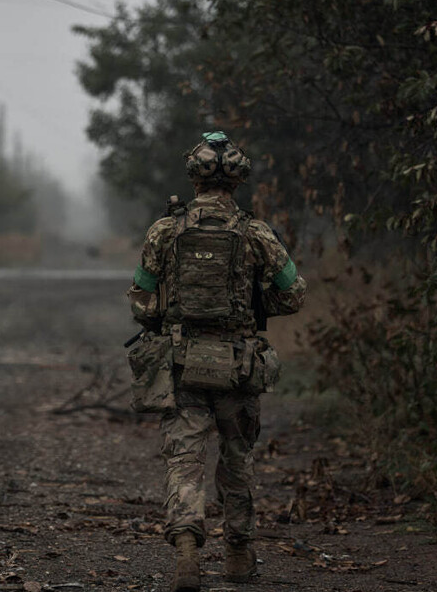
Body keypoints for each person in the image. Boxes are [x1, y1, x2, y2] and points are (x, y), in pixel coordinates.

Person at [125, 131, 306, 591]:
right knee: (237, 458)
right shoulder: (256, 232)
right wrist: (257, 304)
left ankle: (187, 548)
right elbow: (294, 293)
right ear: (239, 180)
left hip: (182, 363)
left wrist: (166, 315)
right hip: (238, 365)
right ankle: (239, 555)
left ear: (193, 176)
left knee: (184, 459)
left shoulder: (165, 230)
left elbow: (140, 301)